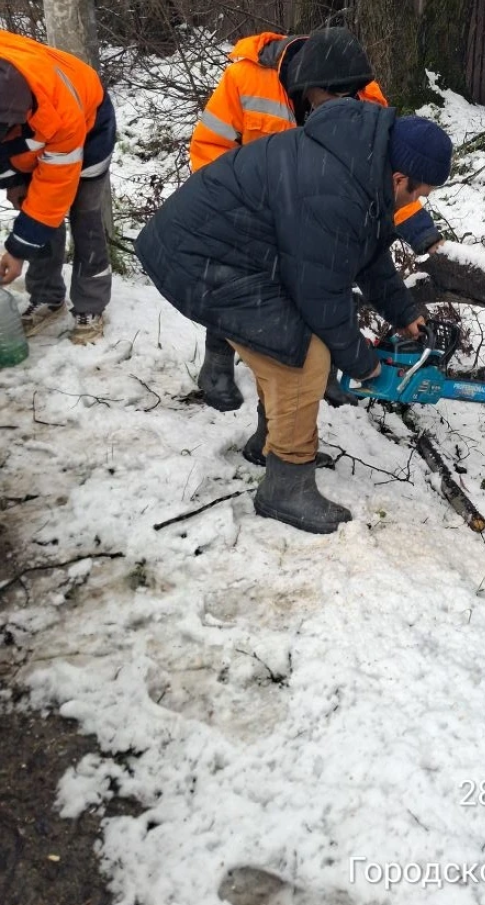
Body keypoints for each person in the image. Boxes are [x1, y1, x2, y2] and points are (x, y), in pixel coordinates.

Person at [135, 100, 452, 535]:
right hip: (199, 258)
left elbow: (366, 256)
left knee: (287, 341)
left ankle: (270, 443)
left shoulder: (359, 167)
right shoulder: (336, 190)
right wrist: (365, 365)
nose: (414, 202)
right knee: (304, 357)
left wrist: (404, 314)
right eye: (416, 194)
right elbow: (321, 294)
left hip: (236, 252)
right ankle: (285, 486)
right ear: (399, 177)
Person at [190, 26, 443, 411]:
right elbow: (210, 145)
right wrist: (233, 204)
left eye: (348, 95)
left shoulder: (365, 97)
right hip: (254, 207)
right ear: (304, 85)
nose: (340, 102)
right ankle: (218, 357)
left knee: (321, 283)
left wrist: (422, 233)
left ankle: (309, 377)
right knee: (237, 280)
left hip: (317, 214)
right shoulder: (246, 80)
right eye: (330, 96)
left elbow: (386, 177)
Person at [0, 30, 116, 344]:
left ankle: (90, 304)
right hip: (32, 136)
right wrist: (14, 183)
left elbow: (51, 195)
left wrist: (17, 250)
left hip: (90, 125)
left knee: (84, 216)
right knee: (30, 208)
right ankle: (47, 297)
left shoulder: (61, 114)